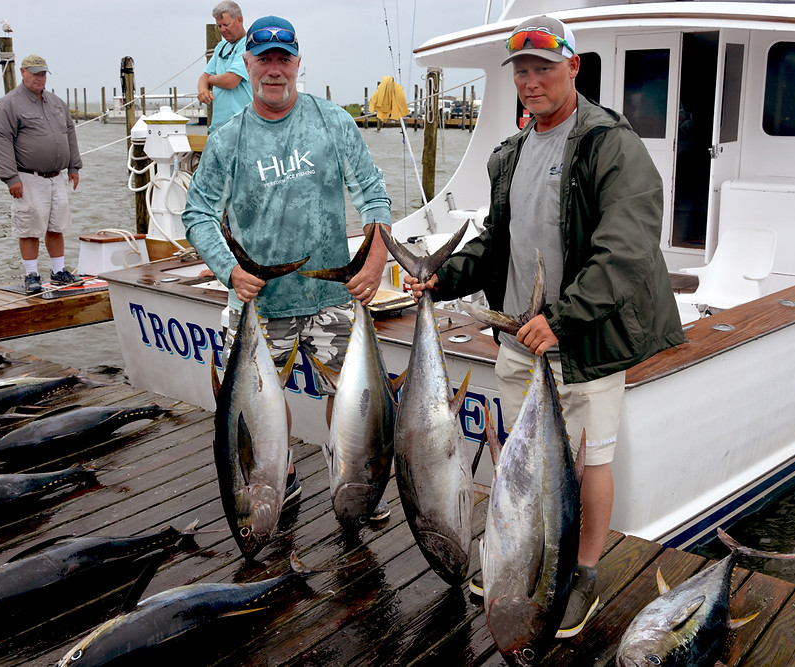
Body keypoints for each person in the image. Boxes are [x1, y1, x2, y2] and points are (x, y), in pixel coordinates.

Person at [405, 16, 686, 638]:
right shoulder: (511, 152)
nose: (531, 82)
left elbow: (627, 247)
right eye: (522, 72)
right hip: (521, 339)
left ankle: (582, 573)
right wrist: (443, 277)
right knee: (524, 461)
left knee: (589, 460)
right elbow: (496, 243)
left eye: (544, 68)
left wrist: (562, 319)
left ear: (574, 67)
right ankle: (521, 558)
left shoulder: (610, 144)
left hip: (582, 339)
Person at [182, 16, 392, 517]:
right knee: (258, 406)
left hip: (331, 297)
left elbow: (373, 195)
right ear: (248, 63)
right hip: (260, 301)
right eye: (264, 59)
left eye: (284, 59)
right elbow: (197, 212)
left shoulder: (333, 121)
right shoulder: (229, 137)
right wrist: (229, 269)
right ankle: (281, 479)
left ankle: (352, 480)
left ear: (298, 63)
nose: (274, 70)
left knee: (351, 398)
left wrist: (376, 259)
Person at [0, 54, 82, 295]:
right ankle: (31, 274)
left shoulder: (56, 103)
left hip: (56, 177)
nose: (39, 78)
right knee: (29, 227)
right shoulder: (10, 103)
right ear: (23, 72)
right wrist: (10, 178)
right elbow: (2, 140)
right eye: (35, 73)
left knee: (57, 225)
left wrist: (74, 166)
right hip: (27, 177)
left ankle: (59, 271)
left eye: (43, 74)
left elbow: (70, 133)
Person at [197, 1, 252, 133]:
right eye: (219, 26)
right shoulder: (221, 47)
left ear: (240, 20)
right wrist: (203, 90)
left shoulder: (248, 46)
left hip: (242, 127)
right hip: (219, 128)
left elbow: (230, 81)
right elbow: (204, 76)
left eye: (226, 25)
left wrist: (210, 80)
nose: (222, 30)